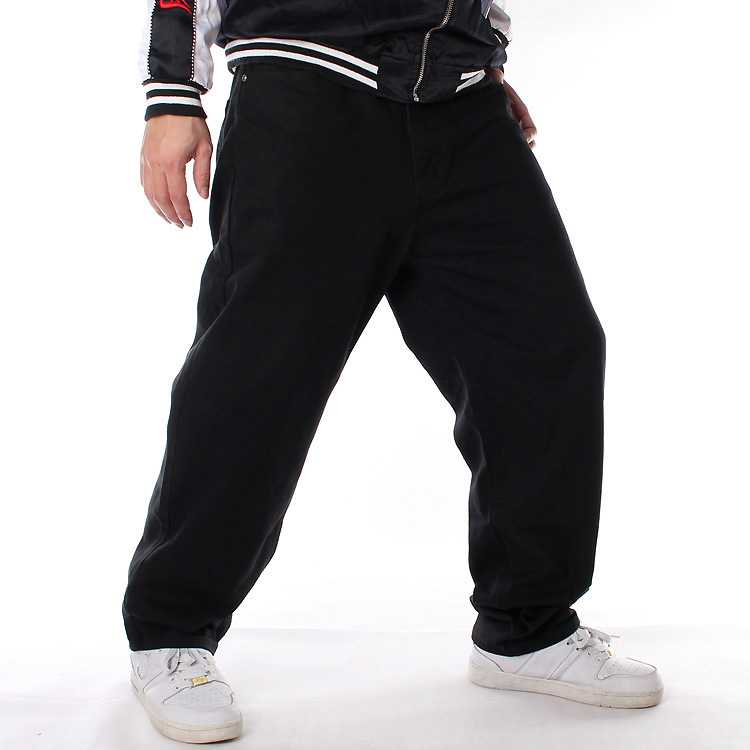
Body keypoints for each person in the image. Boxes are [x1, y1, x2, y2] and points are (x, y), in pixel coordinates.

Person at [124, 0, 664, 742]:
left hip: (461, 105)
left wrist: (477, 53)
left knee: (544, 349)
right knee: (258, 377)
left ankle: (526, 627)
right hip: (306, 94)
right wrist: (172, 92)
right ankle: (169, 630)